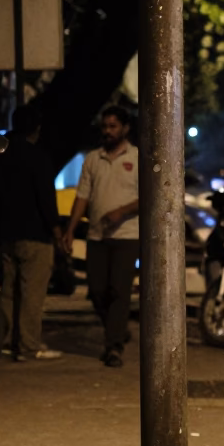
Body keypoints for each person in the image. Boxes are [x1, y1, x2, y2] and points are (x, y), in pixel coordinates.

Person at [61, 107, 140, 367]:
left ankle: (113, 346)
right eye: (105, 126)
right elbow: (82, 196)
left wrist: (122, 211)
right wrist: (71, 230)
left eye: (113, 126)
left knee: (119, 290)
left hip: (127, 237)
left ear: (125, 128)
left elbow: (149, 196)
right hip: (97, 236)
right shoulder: (92, 159)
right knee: (96, 291)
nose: (107, 131)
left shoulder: (138, 157)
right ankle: (117, 328)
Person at [0, 104, 63, 362]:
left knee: (8, 291)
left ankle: (8, 341)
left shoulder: (0, 157)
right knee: (32, 293)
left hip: (6, 234)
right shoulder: (38, 157)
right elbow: (45, 199)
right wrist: (57, 232)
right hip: (35, 235)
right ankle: (29, 346)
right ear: (37, 128)